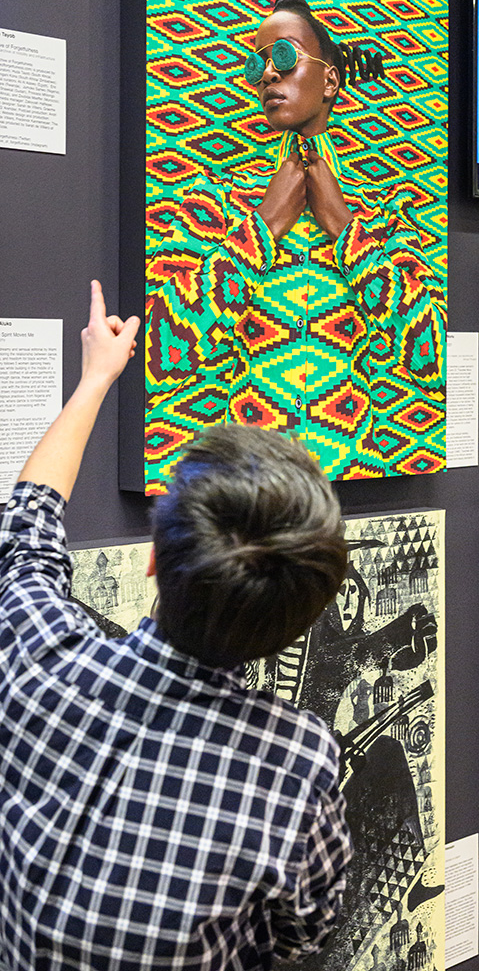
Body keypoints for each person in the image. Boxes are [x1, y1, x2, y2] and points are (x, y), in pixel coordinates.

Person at [0, 281, 352, 969]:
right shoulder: (294, 759)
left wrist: (97, 378)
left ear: (156, 559)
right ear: (299, 622)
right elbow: (305, 931)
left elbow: (28, 522)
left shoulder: (41, 657)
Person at [145, 0, 446, 491]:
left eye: (283, 55)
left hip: (352, 493)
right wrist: (257, 232)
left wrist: (348, 234)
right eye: (257, 62)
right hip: (241, 503)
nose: (267, 74)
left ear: (329, 80)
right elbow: (166, 350)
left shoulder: (392, 211)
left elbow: (432, 360)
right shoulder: (216, 203)